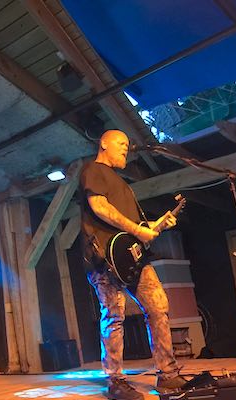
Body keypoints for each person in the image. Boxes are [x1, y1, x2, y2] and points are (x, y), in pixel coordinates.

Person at [79, 129, 186, 400]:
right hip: (105, 258)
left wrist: (156, 225)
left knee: (158, 306)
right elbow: (99, 207)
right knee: (113, 315)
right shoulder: (93, 170)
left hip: (133, 258)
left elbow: (136, 228)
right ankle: (115, 381)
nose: (126, 147)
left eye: (127, 144)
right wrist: (138, 231)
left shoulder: (121, 184)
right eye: (121, 143)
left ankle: (167, 375)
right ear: (104, 143)